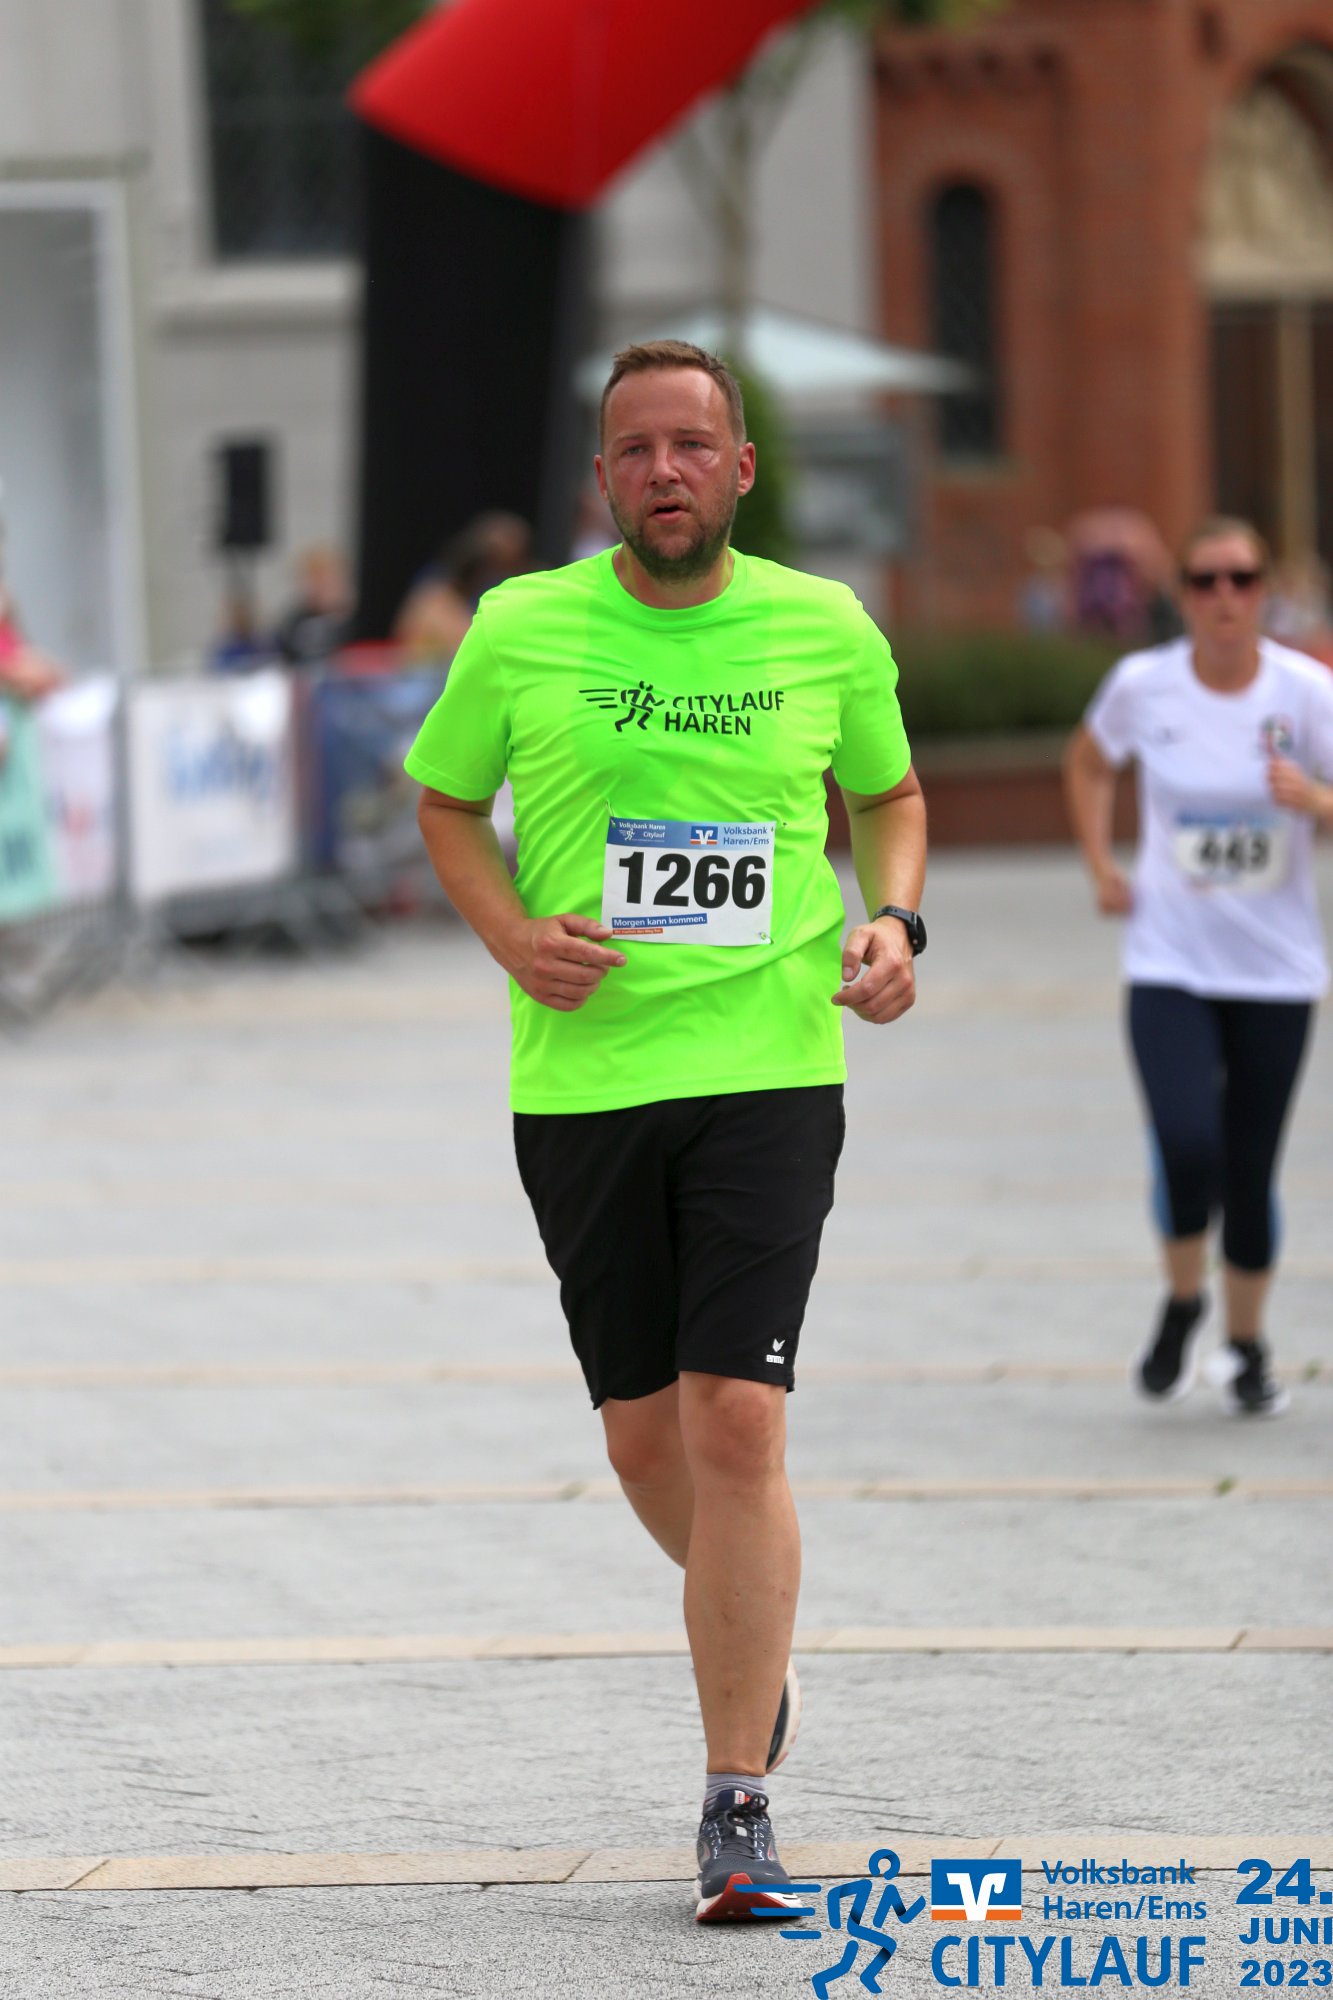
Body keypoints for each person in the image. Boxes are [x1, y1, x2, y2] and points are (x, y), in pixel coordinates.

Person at [405, 340, 926, 1922]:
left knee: (737, 1419)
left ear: (741, 469)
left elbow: (891, 796)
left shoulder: (823, 625)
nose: (664, 471)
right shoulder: (522, 624)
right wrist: (511, 935)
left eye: (691, 445)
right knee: (642, 1438)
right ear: (601, 478)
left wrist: (895, 921)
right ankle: (748, 1636)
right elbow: (445, 805)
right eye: (634, 450)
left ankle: (734, 1796)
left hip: (770, 1062)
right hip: (584, 1083)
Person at [1064, 516, 1333, 1418]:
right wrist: (1099, 862)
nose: (1224, 596)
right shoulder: (1143, 684)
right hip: (1168, 960)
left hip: (1275, 970)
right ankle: (1184, 1302)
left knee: (1250, 1167)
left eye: (1241, 579)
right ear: (1180, 593)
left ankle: (1246, 1345)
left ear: (1264, 591)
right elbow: (1088, 762)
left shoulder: (1304, 691)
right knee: (1186, 1145)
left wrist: (1314, 798)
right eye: (1205, 579)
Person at [393, 510, 532, 660]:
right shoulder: (437, 594)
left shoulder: (508, 590)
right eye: (497, 564)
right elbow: (470, 644)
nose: (503, 574)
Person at [273, 543, 353, 665]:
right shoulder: (296, 622)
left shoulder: (355, 621)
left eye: (326, 579)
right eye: (314, 579)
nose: (320, 587)